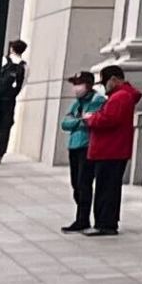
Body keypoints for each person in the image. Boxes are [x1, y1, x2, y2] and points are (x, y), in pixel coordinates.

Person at [82, 66, 141, 236]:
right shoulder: (121, 96)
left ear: (114, 79)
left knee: (106, 188)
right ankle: (106, 222)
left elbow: (108, 120)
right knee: (108, 188)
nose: (104, 87)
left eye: (105, 82)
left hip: (110, 150)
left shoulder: (120, 97)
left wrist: (91, 119)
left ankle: (104, 223)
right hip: (113, 150)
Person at [59, 72, 100, 232]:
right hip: (74, 146)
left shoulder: (97, 101)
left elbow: (90, 121)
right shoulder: (77, 103)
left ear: (88, 85)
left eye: (79, 84)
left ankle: (82, 219)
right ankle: (81, 216)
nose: (76, 88)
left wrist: (80, 121)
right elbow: (65, 123)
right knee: (75, 183)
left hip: (86, 146)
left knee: (84, 183)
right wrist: (79, 120)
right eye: (75, 84)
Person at [0, 40, 29, 162]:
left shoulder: (4, 60)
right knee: (5, 127)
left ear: (12, 48)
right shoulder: (24, 66)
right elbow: (23, 83)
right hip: (10, 100)